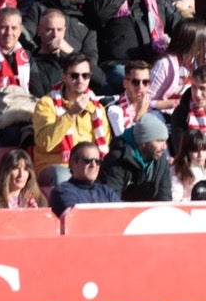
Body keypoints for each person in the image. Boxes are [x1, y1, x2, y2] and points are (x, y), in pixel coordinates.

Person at [31, 54, 110, 185]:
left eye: (85, 76)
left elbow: (104, 145)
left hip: (89, 166)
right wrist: (71, 113)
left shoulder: (97, 108)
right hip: (56, 166)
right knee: (63, 176)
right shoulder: (46, 104)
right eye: (74, 76)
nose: (80, 80)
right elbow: (45, 143)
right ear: (64, 77)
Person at [98, 111, 172, 203]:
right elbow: (111, 200)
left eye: (165, 141)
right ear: (143, 143)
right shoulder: (117, 160)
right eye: (159, 141)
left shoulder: (160, 161)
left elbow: (165, 198)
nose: (164, 147)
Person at [47, 143, 121, 216]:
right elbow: (74, 217)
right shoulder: (63, 191)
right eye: (88, 161)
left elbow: (123, 214)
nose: (94, 165)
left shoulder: (106, 191)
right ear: (73, 163)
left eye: (98, 161)